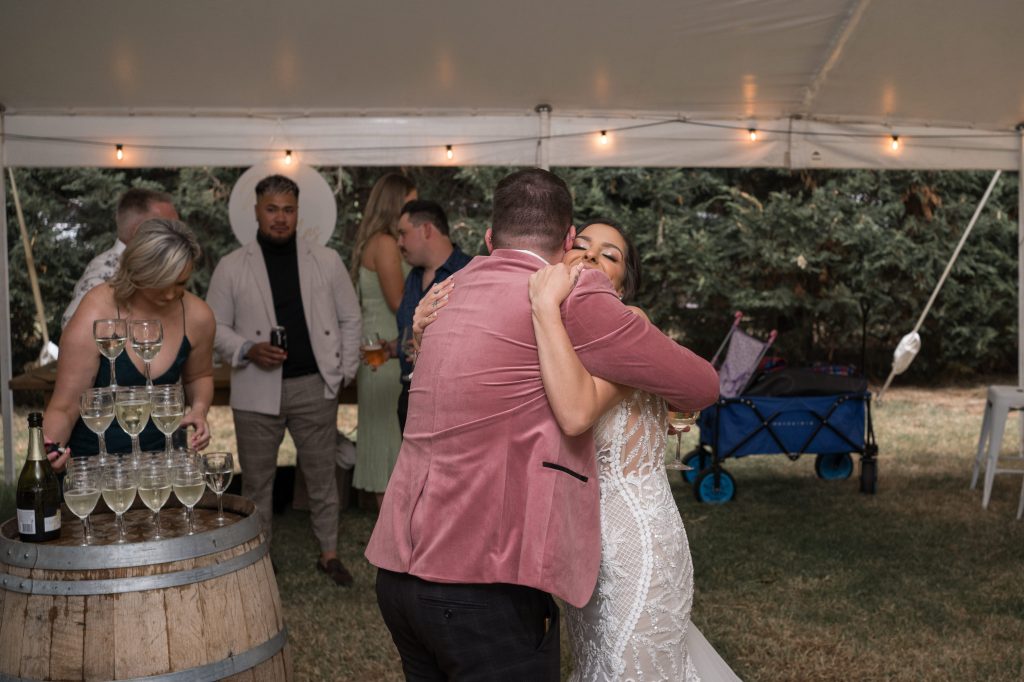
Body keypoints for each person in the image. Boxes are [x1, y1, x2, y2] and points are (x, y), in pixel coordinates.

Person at [365, 169, 719, 680]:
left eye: (609, 255)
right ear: (567, 240)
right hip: (481, 584)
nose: (590, 262)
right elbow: (701, 386)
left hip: (398, 575)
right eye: (585, 248)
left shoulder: (450, 290)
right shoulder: (574, 296)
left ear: (490, 238)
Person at [206, 174, 361, 586]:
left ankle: (329, 554)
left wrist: (343, 372)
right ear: (257, 211)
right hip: (256, 388)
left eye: (288, 210)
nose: (280, 217)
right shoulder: (232, 266)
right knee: (258, 482)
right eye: (272, 209)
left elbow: (350, 318)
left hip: (313, 385)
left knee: (323, 477)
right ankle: (260, 557)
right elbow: (214, 326)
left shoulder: (326, 260)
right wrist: (247, 348)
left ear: (298, 213)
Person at [44, 219, 215, 465]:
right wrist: (48, 453)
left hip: (158, 465)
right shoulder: (96, 311)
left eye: (180, 283)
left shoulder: (198, 316)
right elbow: (65, 406)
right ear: (137, 271)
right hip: (92, 465)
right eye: (160, 282)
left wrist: (199, 409)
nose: (170, 294)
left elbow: (199, 376)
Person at [349, 173, 416, 508]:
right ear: (394, 205)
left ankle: (393, 525)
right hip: (384, 351)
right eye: (410, 203)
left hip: (388, 346)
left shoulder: (382, 241)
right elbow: (399, 302)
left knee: (391, 437)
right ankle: (389, 525)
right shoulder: (386, 243)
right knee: (388, 439)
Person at [393, 199, 472, 432]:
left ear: (427, 229)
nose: (398, 242)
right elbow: (410, 332)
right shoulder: (413, 276)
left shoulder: (469, 273)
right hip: (408, 397)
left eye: (403, 233)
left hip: (450, 403)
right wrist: (392, 348)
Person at [61, 188, 179, 329]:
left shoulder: (148, 268)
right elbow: (72, 327)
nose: (179, 235)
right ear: (140, 231)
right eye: (169, 228)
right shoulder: (106, 274)